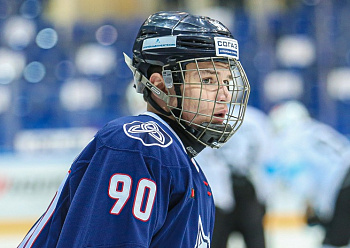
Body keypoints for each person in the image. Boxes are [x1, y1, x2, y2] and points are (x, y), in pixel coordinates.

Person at [18, 11, 250, 248]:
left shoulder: (190, 170)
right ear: (162, 85)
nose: (225, 94)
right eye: (208, 80)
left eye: (227, 81)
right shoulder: (138, 146)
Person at [268, 100, 350, 248]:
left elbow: (301, 179)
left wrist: (311, 204)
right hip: (343, 180)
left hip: (343, 186)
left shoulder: (289, 139)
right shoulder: (318, 129)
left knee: (334, 240)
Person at [196, 105, 273, 248]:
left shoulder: (203, 117)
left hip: (217, 194)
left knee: (215, 242)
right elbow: (266, 157)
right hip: (246, 190)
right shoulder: (257, 118)